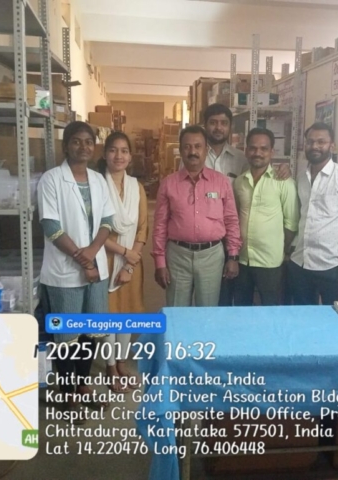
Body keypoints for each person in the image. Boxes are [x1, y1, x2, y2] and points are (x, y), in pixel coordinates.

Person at [38, 121, 115, 418]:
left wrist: (92, 254)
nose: (83, 147)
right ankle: (68, 393)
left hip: (96, 270)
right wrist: (84, 261)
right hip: (64, 273)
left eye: (88, 142)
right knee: (66, 338)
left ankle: (83, 386)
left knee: (91, 334)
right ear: (66, 145)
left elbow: (107, 221)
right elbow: (51, 226)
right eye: (76, 141)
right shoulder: (51, 179)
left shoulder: (98, 180)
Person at [203, 103, 291, 305]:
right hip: (208, 239)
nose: (218, 127)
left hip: (236, 242)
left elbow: (257, 177)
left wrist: (284, 169)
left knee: (237, 293)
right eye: (213, 122)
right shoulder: (195, 155)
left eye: (223, 123)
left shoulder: (241, 158)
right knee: (216, 296)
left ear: (230, 127)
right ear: (205, 125)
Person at [152, 125, 242, 306]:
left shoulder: (221, 182)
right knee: (177, 311)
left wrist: (233, 256)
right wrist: (160, 262)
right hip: (178, 256)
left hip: (211, 257)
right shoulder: (168, 184)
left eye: (197, 146)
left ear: (205, 149)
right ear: (181, 150)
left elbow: (231, 220)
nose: (192, 152)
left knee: (207, 312)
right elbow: (160, 225)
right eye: (187, 147)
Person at [288, 122, 338, 305]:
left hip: (331, 264)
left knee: (333, 315)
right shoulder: (301, 178)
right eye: (310, 142)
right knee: (302, 314)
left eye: (321, 142)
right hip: (301, 261)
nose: (314, 146)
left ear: (332, 146)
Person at [97, 132, 148, 392]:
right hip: (104, 259)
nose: (119, 156)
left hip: (131, 263)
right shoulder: (96, 185)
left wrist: (129, 264)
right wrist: (123, 252)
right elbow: (93, 230)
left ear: (130, 156)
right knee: (108, 316)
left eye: (124, 151)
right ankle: (109, 367)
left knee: (126, 315)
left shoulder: (136, 187)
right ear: (105, 154)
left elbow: (142, 228)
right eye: (113, 150)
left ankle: (122, 363)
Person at [233, 128, 299, 306]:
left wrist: (279, 248)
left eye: (263, 149)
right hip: (242, 259)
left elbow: (291, 223)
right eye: (253, 148)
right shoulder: (239, 182)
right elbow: (235, 217)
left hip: (270, 262)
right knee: (241, 308)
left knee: (271, 309)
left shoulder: (284, 182)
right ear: (246, 150)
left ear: (272, 152)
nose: (258, 153)